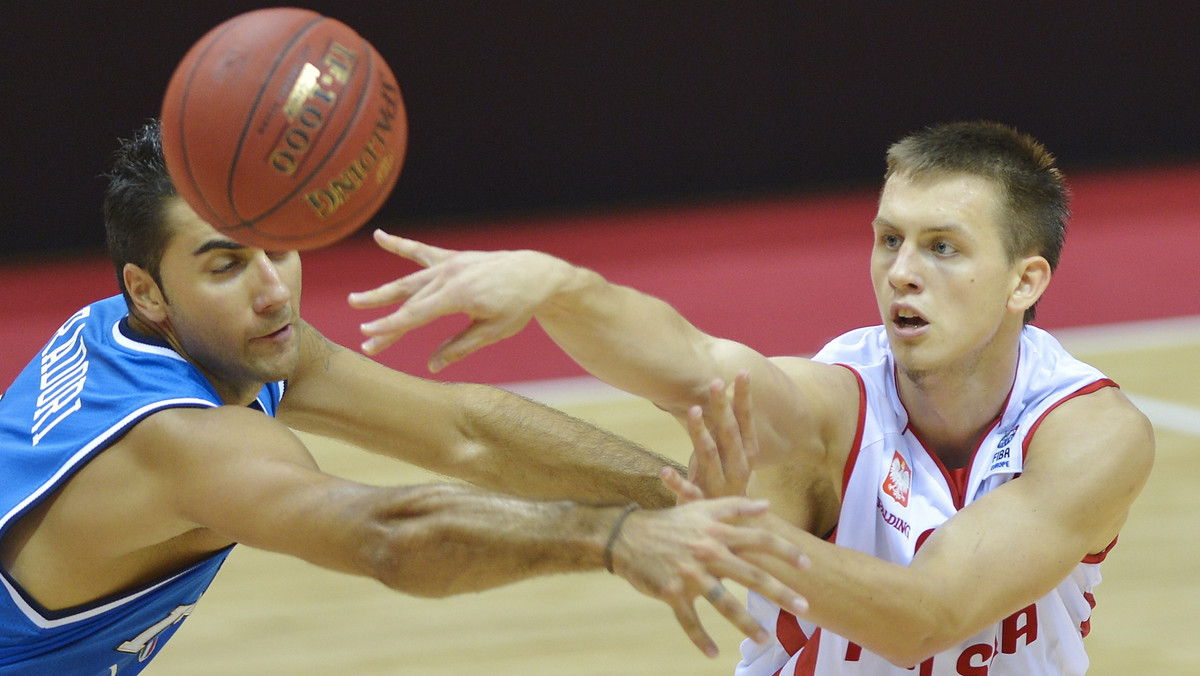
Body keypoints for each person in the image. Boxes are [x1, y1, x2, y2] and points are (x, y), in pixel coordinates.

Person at [0, 120, 814, 675]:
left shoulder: (144, 329)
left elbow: (467, 432)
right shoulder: (186, 442)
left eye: (277, 245)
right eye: (225, 264)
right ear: (148, 288)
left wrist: (684, 501)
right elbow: (388, 534)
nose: (273, 290)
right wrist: (618, 538)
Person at [347, 121, 1155, 675]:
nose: (902, 271)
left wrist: (732, 536)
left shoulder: (1090, 432)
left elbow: (929, 616)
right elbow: (692, 363)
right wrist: (561, 288)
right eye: (888, 238)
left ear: (1026, 280)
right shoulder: (831, 404)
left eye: (942, 246)